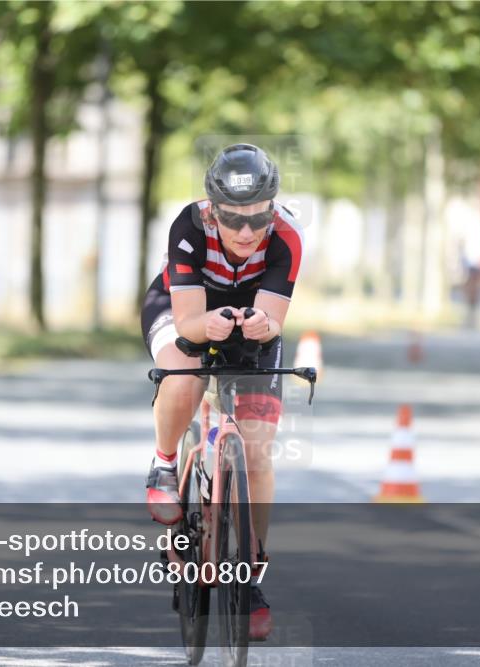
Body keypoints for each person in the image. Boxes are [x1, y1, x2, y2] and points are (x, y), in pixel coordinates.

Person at [139, 144, 304, 641]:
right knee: (184, 372)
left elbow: (274, 318)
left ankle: (250, 576)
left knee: (256, 450)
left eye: (258, 218)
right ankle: (166, 463)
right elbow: (189, 323)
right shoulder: (187, 227)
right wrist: (204, 327)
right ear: (213, 210)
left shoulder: (287, 237)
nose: (247, 232)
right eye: (233, 219)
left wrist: (261, 325)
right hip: (182, 306)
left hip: (250, 315)